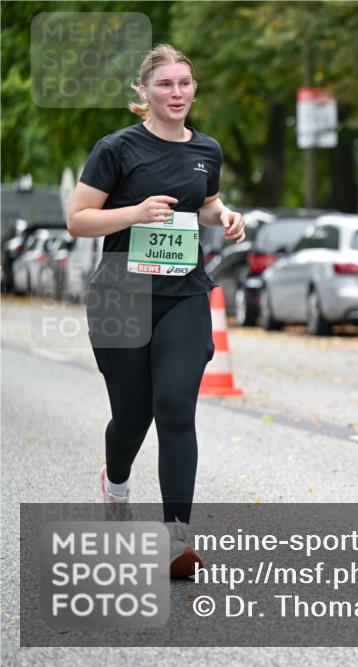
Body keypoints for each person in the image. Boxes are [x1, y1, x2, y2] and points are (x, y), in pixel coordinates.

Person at [66, 44, 245, 577]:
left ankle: (176, 538)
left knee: (173, 406)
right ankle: (116, 484)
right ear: (143, 92)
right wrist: (135, 213)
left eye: (185, 83)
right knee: (132, 415)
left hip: (185, 295)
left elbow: (205, 202)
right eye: (165, 84)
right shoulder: (116, 148)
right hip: (121, 296)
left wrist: (225, 216)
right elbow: (78, 220)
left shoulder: (206, 149)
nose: (177, 93)